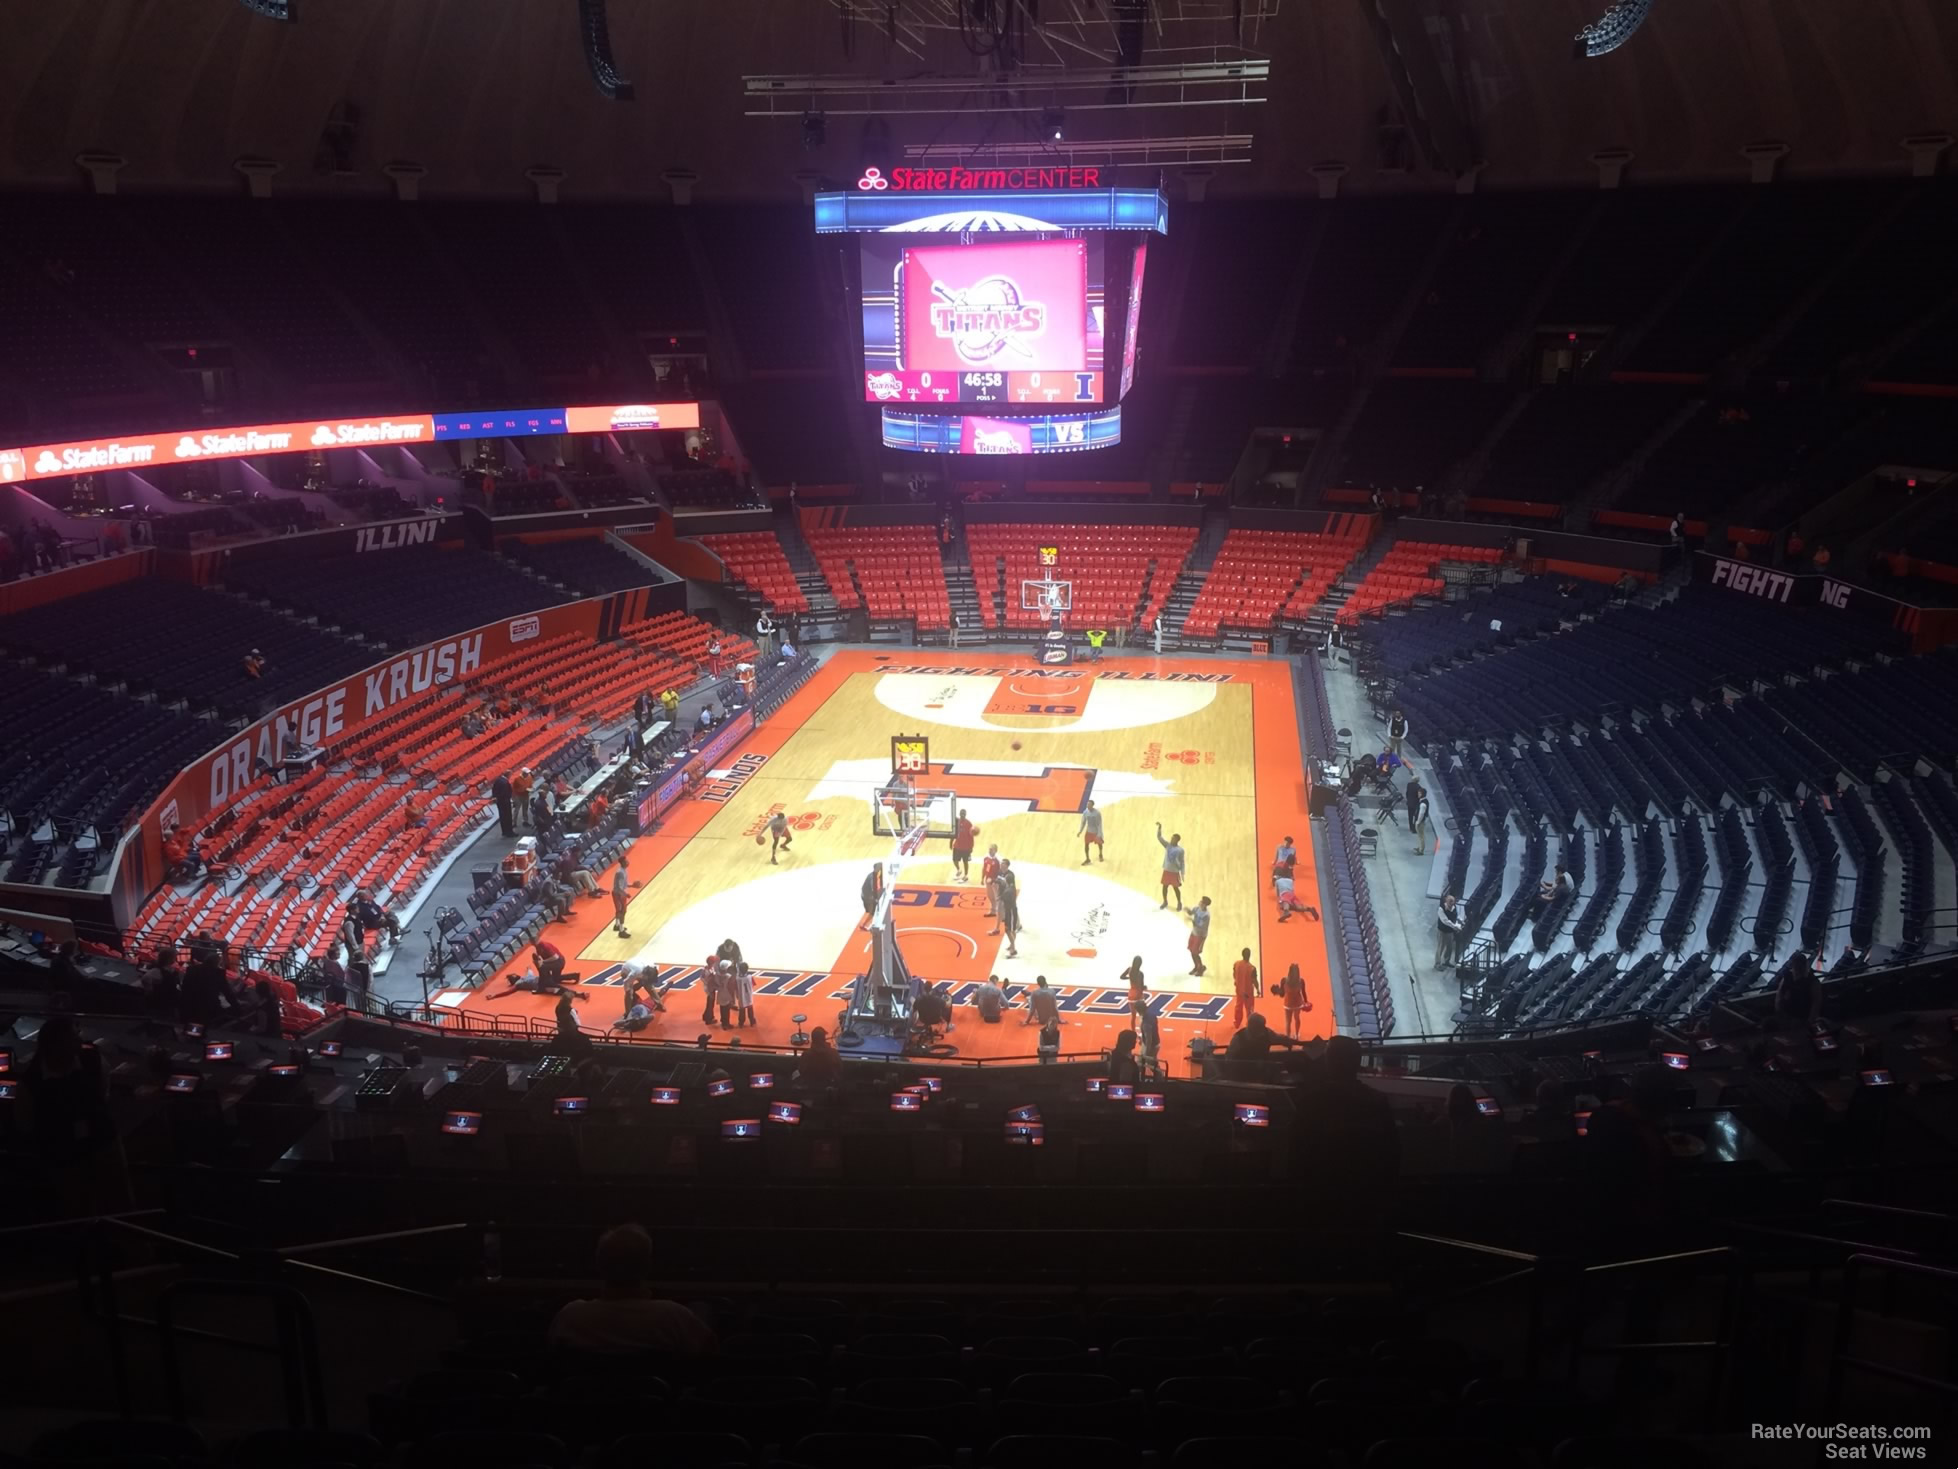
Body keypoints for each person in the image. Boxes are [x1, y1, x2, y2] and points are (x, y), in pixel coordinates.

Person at [547, 1224, 717, 1357]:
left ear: (599, 1265)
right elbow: (709, 1351)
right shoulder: (673, 1317)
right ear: (647, 1266)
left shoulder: (570, 1318)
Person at [1155, 823, 1186, 911]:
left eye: (1173, 838)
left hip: (1175, 872)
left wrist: (1183, 873)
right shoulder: (1167, 845)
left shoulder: (1181, 850)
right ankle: (1165, 901)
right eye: (1171, 838)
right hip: (1167, 871)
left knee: (1176, 889)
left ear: (1177, 840)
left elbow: (1182, 862)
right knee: (1164, 887)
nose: (1171, 839)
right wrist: (1159, 828)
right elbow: (1159, 838)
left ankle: (1179, 902)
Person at [995, 860, 1020, 957]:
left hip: (1010, 912)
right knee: (1010, 930)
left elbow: (1002, 899)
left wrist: (999, 898)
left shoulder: (1007, 891)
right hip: (1011, 911)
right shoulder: (1011, 888)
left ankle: (1013, 949)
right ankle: (1012, 945)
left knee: (1009, 930)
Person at [1277, 961, 1310, 1037]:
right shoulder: (1301, 981)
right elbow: (1304, 992)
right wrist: (1306, 1002)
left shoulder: (1284, 981)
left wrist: (1278, 991)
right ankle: (1297, 1034)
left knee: (1288, 1021)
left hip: (1288, 1003)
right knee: (1297, 1018)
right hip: (1297, 1003)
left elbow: (1282, 994)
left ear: (1289, 971)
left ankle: (1288, 1037)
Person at [1435, 892, 1465, 969]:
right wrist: (1455, 926)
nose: (1452, 903)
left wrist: (1461, 921)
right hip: (1442, 931)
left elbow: (1456, 916)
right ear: (1446, 901)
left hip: (1450, 932)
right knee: (1440, 948)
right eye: (1450, 901)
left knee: (1449, 947)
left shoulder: (1454, 908)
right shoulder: (1441, 909)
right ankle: (1437, 964)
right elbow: (1445, 921)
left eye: (1453, 901)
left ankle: (1446, 961)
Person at [1230, 944, 1257, 1026]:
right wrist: (1258, 989)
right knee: (1249, 1009)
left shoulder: (1236, 964)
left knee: (1238, 1006)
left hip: (1239, 990)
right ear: (1249, 956)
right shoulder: (1252, 968)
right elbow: (1254, 980)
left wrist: (1236, 981)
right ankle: (1250, 1024)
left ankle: (1237, 1023)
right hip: (1248, 992)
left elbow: (1234, 974)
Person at [1133, 994, 1161, 1074]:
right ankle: (1159, 1078)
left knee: (1143, 1063)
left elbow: (1149, 1038)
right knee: (1152, 1064)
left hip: (1150, 1046)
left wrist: (1147, 1053)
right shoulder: (1151, 1015)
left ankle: (1141, 1078)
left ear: (1138, 1010)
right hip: (1155, 1043)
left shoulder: (1146, 1022)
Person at [1187, 896, 1213, 978]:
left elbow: (1200, 926)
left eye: (1202, 902)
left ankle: (1201, 968)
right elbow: (1191, 913)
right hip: (1194, 933)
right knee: (1192, 951)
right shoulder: (1197, 908)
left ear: (1205, 905)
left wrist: (1191, 920)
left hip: (1200, 936)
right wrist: (1187, 910)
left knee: (1195, 953)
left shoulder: (1206, 916)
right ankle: (1197, 967)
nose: (1200, 902)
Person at [951, 809, 977, 882]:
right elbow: (954, 833)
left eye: (964, 813)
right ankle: (959, 870)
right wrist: (951, 842)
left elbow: (971, 836)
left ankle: (965, 875)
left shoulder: (969, 824)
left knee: (965, 862)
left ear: (965, 814)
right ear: (959, 814)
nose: (962, 814)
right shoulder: (957, 822)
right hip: (957, 846)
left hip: (966, 847)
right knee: (954, 860)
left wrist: (971, 847)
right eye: (961, 813)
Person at [610, 857, 633, 939]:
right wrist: (626, 894)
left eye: (627, 860)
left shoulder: (623, 870)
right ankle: (621, 931)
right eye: (626, 861)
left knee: (619, 910)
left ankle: (617, 925)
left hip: (619, 893)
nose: (627, 862)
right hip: (618, 894)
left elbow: (624, 884)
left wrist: (632, 885)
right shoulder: (620, 872)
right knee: (622, 911)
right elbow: (620, 887)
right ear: (622, 863)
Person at [1406, 777, 1430, 855]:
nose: (1418, 794)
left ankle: (1421, 850)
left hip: (1420, 822)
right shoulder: (1422, 801)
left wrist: (1417, 822)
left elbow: (1421, 814)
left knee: (1421, 836)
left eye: (1419, 793)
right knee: (1419, 836)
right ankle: (1419, 847)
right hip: (1419, 821)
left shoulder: (1423, 804)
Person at [1078, 800, 1105, 865]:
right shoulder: (1085, 812)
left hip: (1096, 832)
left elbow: (1099, 824)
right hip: (1088, 832)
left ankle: (1100, 854)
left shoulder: (1097, 813)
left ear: (1092, 805)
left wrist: (1100, 834)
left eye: (1089, 804)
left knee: (1099, 844)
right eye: (1087, 804)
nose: (1088, 805)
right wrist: (1080, 831)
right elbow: (1083, 822)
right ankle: (1087, 859)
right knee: (1086, 845)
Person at [860, 862, 884, 931]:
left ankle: (866, 924)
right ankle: (865, 924)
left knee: (872, 910)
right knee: (874, 910)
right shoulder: (873, 878)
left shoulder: (871, 874)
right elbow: (874, 889)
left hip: (864, 894)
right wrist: (876, 897)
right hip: (867, 896)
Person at [980, 845, 1002, 914]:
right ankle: (993, 910)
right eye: (989, 849)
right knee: (990, 895)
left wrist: (997, 881)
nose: (990, 851)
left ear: (995, 850)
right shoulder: (986, 858)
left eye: (991, 849)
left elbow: (1000, 871)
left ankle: (998, 911)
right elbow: (984, 868)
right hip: (988, 880)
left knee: (996, 896)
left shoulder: (998, 860)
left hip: (995, 881)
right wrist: (982, 878)